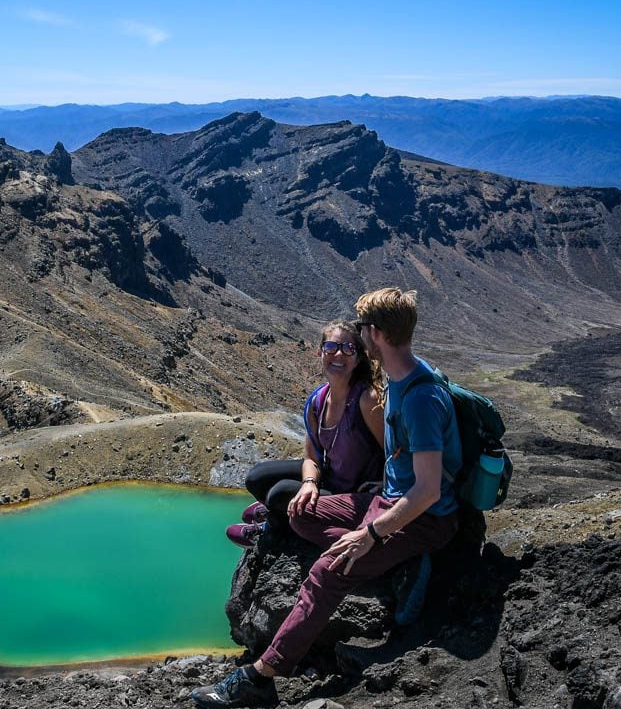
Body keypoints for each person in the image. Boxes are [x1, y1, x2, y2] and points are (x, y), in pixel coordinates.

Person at [192, 288, 462, 708]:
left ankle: (260, 679)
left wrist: (369, 534)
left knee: (326, 572)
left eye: (360, 333)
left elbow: (427, 490)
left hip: (422, 518)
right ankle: (395, 564)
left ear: (374, 336)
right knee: (301, 517)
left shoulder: (420, 398)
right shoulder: (398, 380)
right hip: (387, 505)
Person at [226, 320, 385, 548]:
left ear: (359, 357)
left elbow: (393, 453)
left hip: (357, 494)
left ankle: (271, 527)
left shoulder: (366, 399)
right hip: (330, 478)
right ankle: (279, 510)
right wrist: (309, 483)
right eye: (331, 347)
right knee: (256, 477)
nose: (338, 354)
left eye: (348, 348)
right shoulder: (318, 400)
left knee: (279, 494)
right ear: (320, 352)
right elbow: (312, 457)